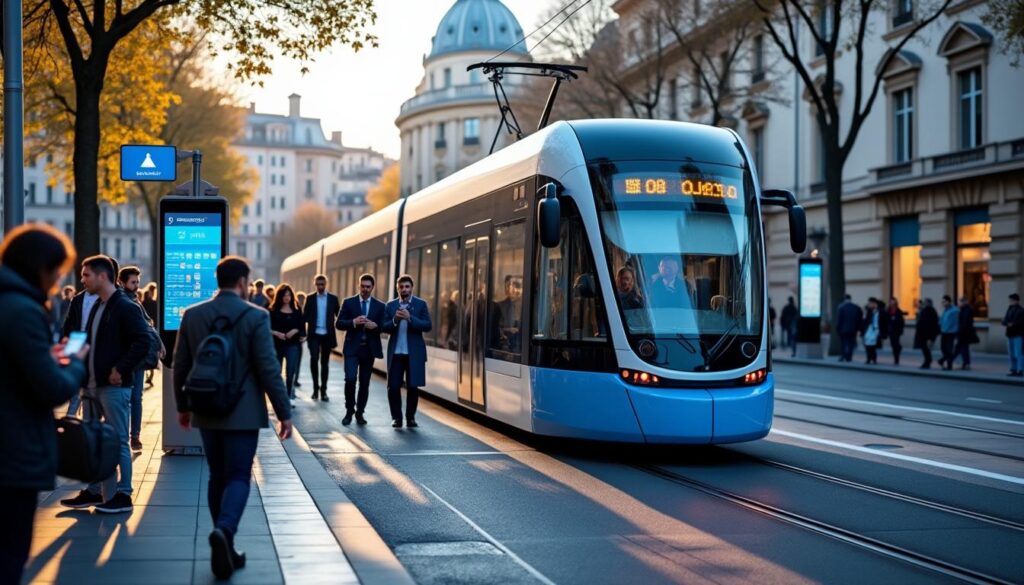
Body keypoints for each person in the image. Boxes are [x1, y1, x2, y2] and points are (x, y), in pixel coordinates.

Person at [172, 256, 292, 580]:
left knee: (216, 475)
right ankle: (225, 532)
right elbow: (268, 369)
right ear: (242, 282)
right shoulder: (255, 316)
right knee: (239, 476)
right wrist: (284, 413)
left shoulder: (193, 315)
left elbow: (179, 364)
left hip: (206, 408)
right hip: (243, 412)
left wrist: (182, 406)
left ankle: (223, 541)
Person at [0, 224, 88, 585]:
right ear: (39, 266)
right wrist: (76, 362)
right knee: (9, 556)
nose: (56, 280)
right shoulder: (23, 310)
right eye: (56, 269)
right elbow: (53, 389)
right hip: (11, 452)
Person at [59, 255, 150, 514]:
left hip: (113, 386)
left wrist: (120, 368)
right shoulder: (97, 304)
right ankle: (98, 492)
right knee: (97, 441)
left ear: (102, 276)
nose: (82, 279)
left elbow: (142, 341)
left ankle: (123, 494)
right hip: (92, 383)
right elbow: (79, 336)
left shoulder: (124, 305)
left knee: (119, 439)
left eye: (86, 275)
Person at [118, 266, 161, 452]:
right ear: (122, 282)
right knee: (133, 397)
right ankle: (132, 435)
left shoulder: (135, 299)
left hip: (138, 355)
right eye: (133, 282)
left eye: (137, 282)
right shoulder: (124, 301)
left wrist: (159, 343)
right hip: (129, 355)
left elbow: (148, 324)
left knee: (135, 397)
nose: (137, 286)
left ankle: (134, 435)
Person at [382, 274, 432, 428]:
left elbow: (427, 325)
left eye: (407, 287)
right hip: (396, 353)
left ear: (412, 288)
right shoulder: (390, 306)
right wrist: (395, 321)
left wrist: (410, 318)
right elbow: (384, 327)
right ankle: (397, 418)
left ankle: (410, 418)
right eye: (401, 287)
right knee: (393, 386)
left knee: (412, 386)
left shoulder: (421, 304)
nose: (404, 290)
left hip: (414, 353)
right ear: (398, 289)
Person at [336, 273, 385, 425]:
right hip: (352, 348)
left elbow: (384, 326)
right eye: (362, 286)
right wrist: (353, 322)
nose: (365, 289)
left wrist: (376, 327)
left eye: (368, 287)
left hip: (368, 350)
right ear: (359, 286)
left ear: (372, 288)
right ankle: (349, 410)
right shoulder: (348, 302)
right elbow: (338, 323)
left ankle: (360, 413)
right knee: (350, 379)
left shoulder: (380, 306)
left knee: (364, 383)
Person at [302, 275, 339, 401]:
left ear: (326, 284)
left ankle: (323, 390)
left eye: (322, 284)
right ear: (315, 284)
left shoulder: (333, 299)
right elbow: (304, 316)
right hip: (314, 335)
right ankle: (315, 389)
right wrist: (302, 333)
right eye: (318, 284)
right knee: (313, 360)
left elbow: (339, 316)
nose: (320, 287)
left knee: (325, 363)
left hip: (327, 336)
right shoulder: (310, 298)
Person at [270, 284, 303, 406]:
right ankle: (278, 398)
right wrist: (276, 333)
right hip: (277, 345)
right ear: (280, 296)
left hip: (292, 345)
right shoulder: (273, 310)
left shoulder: (297, 310)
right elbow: (267, 328)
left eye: (289, 294)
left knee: (290, 372)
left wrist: (295, 330)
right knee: (277, 372)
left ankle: (289, 396)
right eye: (284, 295)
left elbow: (301, 327)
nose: (287, 297)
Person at [492, 275, 523, 353]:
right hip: (504, 349)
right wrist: (508, 330)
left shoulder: (526, 306)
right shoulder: (499, 306)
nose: (512, 289)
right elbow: (495, 328)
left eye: (516, 286)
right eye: (509, 286)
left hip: (521, 348)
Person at [913, 298, 940, 369]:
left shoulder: (930, 311)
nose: (923, 304)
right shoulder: (924, 311)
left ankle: (927, 361)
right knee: (925, 348)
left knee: (926, 348)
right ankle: (927, 361)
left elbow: (930, 324)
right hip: (923, 334)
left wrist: (929, 337)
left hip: (926, 334)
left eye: (925, 303)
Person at [835, 294, 862, 362]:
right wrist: (858, 328)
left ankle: (843, 355)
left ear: (845, 299)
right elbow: (859, 319)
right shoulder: (856, 307)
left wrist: (837, 328)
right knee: (851, 343)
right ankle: (849, 356)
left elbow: (839, 319)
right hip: (853, 329)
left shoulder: (841, 307)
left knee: (843, 343)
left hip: (843, 329)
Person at [1003, 293, 1024, 377]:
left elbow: (1019, 322)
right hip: (1010, 334)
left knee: (1018, 353)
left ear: (1016, 301)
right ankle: (1013, 368)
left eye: (1011, 300)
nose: (1010, 302)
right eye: (1010, 300)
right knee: (1011, 353)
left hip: (1018, 334)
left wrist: (1012, 324)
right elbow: (1004, 320)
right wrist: (1007, 323)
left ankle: (1020, 369)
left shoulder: (1021, 310)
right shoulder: (1009, 309)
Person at [955, 296, 978, 371]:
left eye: (960, 302)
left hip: (964, 333)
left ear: (964, 302)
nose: (959, 303)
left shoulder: (966, 310)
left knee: (963, 349)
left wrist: (960, 331)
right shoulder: (964, 309)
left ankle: (965, 363)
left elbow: (965, 323)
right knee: (962, 348)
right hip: (964, 332)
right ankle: (965, 363)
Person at [938, 295, 960, 371]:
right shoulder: (945, 310)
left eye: (944, 301)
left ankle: (949, 365)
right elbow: (942, 320)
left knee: (949, 349)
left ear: (949, 301)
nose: (943, 303)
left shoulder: (954, 310)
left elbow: (952, 323)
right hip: (944, 332)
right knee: (943, 348)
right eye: (942, 302)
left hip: (950, 332)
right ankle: (943, 360)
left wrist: (945, 329)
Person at [886, 297, 906, 366]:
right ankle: (897, 352)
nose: (891, 303)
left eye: (892, 301)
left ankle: (896, 359)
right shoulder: (888, 310)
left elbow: (901, 321)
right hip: (890, 330)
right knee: (893, 344)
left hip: (896, 330)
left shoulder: (898, 311)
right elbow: (886, 319)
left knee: (895, 344)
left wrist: (900, 330)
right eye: (890, 301)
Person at [294, 292, 307, 388]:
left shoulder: (304, 310)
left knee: (298, 361)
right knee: (294, 361)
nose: (301, 301)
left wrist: (304, 336)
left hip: (300, 339)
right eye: (300, 299)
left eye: (303, 299)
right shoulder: (296, 310)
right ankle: (292, 379)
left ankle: (296, 379)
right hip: (295, 338)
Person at [862, 298, 881, 365]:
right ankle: (868, 358)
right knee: (867, 344)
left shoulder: (878, 312)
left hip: (875, 329)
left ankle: (873, 358)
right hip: (868, 329)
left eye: (871, 303)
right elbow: (864, 320)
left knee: (873, 345)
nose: (869, 305)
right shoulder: (868, 311)